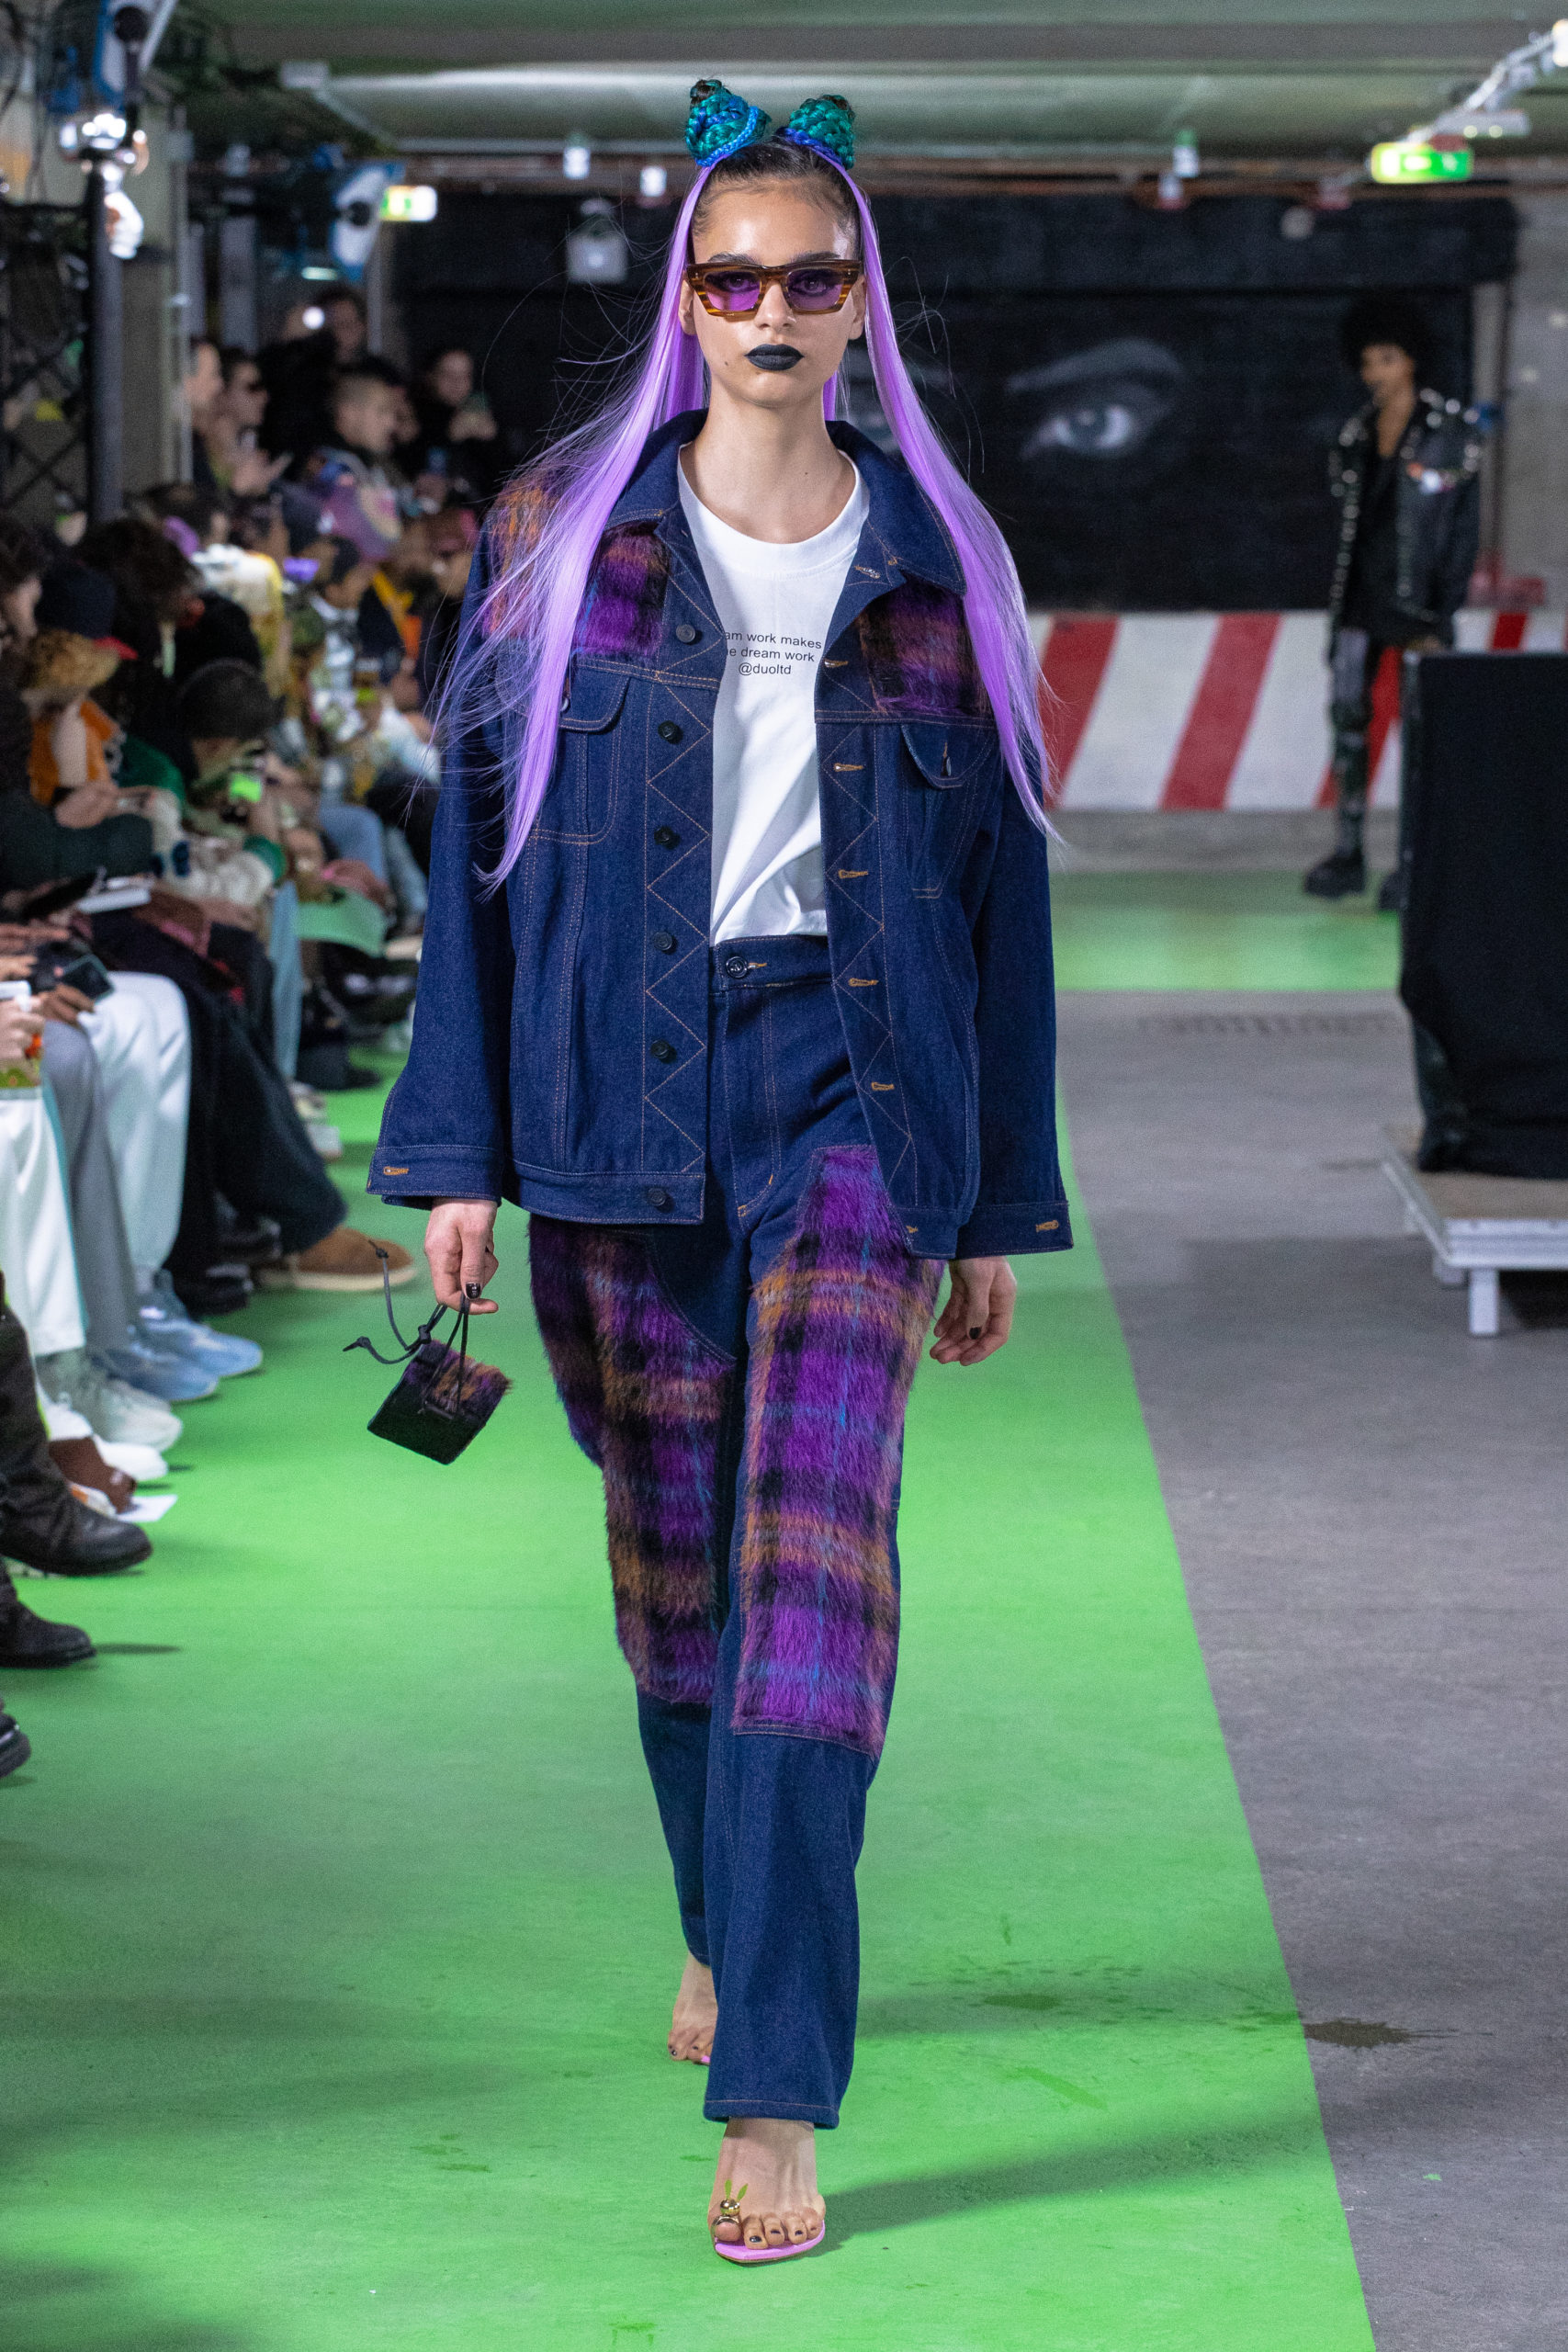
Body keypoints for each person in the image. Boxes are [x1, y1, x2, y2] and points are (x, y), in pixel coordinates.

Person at [370, 82, 1070, 2261]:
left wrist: (994, 1196)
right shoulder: (558, 538)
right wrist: (455, 1151)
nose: (770, 308)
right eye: (732, 274)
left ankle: (774, 2081)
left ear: (862, 304)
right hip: (613, 1099)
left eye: (809, 275)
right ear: (684, 298)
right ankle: (718, 1913)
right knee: (676, 1586)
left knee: (810, 1583)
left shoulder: (940, 559)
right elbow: (474, 869)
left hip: (855, 1094)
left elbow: (1000, 898)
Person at [1306, 295, 1482, 907]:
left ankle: (1416, 862)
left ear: (1410, 360)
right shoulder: (1355, 434)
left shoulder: (1448, 433)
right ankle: (1348, 852)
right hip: (1358, 599)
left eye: (1385, 359)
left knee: (1421, 734)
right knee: (1346, 720)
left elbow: (1461, 531)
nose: (1373, 372)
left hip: (1418, 607)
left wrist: (1442, 611)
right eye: (1366, 362)